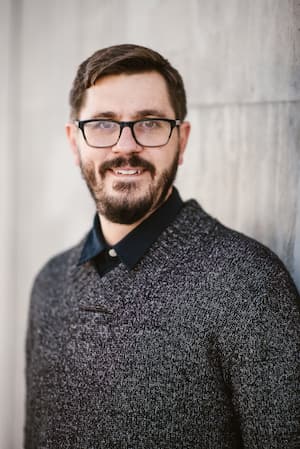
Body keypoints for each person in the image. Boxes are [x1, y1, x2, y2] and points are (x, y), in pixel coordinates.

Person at [25, 44, 300, 449]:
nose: (125, 146)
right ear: (74, 141)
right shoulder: (49, 283)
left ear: (181, 140)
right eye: (103, 124)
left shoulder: (248, 283)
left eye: (150, 123)